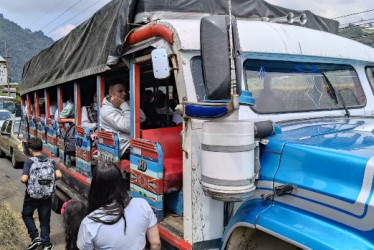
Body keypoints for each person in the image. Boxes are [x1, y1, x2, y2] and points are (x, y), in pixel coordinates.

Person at [77, 162, 161, 250]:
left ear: (95, 188)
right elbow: (156, 244)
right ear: (121, 182)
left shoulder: (89, 223)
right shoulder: (142, 204)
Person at [21, 137, 62, 250]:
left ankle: (35, 237)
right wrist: (48, 181)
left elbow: (24, 179)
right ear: (42, 148)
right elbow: (59, 175)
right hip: (46, 195)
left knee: (26, 214)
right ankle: (46, 244)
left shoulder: (29, 161)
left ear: (30, 149)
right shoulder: (51, 161)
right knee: (44, 219)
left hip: (32, 196)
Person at [100, 82, 145, 158]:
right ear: (110, 92)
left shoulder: (125, 102)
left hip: (133, 141)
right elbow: (129, 127)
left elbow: (142, 118)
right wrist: (124, 105)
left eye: (126, 91)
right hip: (122, 147)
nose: (124, 94)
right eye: (120, 91)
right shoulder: (106, 110)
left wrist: (128, 103)